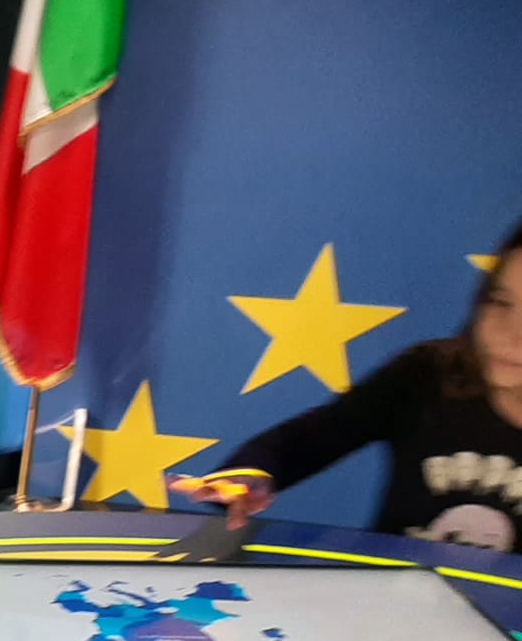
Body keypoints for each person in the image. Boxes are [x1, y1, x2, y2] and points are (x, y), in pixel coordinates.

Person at [176, 223, 522, 551]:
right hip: (389, 589)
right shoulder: (429, 375)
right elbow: (310, 438)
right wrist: (252, 474)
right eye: (501, 302)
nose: (510, 333)